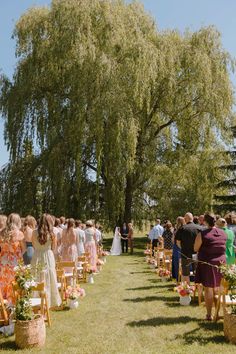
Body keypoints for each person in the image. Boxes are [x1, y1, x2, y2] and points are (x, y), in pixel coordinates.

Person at [194, 213, 227, 321]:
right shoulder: (223, 233)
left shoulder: (202, 234)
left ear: (205, 222)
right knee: (218, 288)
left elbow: (195, 248)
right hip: (222, 264)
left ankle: (209, 315)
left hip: (208, 264)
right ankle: (218, 313)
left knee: (208, 289)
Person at [31, 214, 61, 308]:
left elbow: (33, 245)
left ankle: (36, 300)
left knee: (36, 275)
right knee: (49, 276)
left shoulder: (34, 232)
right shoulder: (52, 234)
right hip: (48, 255)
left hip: (37, 255)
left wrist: (39, 249)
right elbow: (54, 248)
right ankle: (48, 301)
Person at [0, 213, 25, 304]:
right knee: (14, 283)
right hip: (14, 262)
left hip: (3, 262)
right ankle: (14, 305)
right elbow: (24, 248)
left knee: (4, 283)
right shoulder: (19, 234)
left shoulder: (1, 233)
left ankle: (3, 308)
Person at [175, 212, 199, 284]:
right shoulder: (199, 228)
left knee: (185, 273)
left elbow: (178, 242)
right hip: (196, 254)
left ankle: (186, 293)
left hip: (185, 254)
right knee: (197, 272)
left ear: (185, 219)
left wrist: (182, 248)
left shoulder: (182, 228)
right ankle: (198, 290)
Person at [172, 216, 185, 283]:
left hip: (176, 248)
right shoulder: (185, 229)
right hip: (183, 247)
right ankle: (184, 279)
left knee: (177, 264)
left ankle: (178, 279)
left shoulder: (175, 230)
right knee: (183, 264)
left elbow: (173, 240)